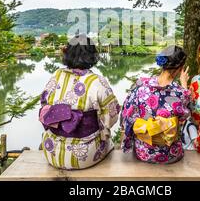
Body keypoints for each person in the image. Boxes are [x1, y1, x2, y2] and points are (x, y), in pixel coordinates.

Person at [38, 34, 120, 169]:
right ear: (92, 55)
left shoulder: (56, 75)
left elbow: (44, 104)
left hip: (52, 150)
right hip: (84, 156)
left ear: (67, 53)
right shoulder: (97, 81)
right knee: (107, 140)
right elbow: (112, 115)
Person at [120, 45, 190, 164]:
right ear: (180, 68)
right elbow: (184, 118)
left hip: (143, 151)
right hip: (170, 154)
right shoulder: (180, 93)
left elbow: (126, 114)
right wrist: (184, 85)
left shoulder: (141, 85)